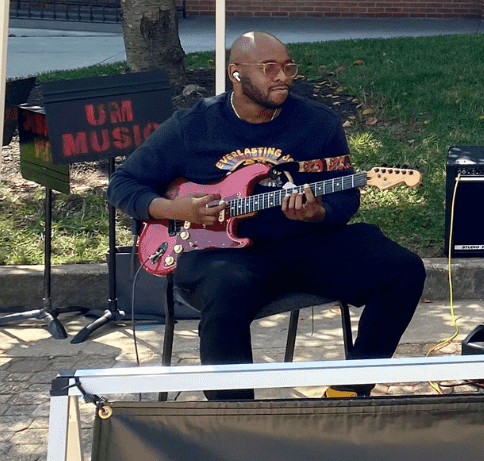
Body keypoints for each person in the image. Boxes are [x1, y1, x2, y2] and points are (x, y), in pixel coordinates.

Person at [109, 32, 426, 400]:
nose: (283, 77)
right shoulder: (192, 126)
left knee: (402, 269)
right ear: (236, 74)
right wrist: (173, 209)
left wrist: (318, 213)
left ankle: (350, 390)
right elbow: (123, 183)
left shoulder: (318, 124)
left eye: (288, 67)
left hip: (304, 245)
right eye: (269, 68)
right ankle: (236, 419)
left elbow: (345, 195)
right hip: (222, 256)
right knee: (225, 293)